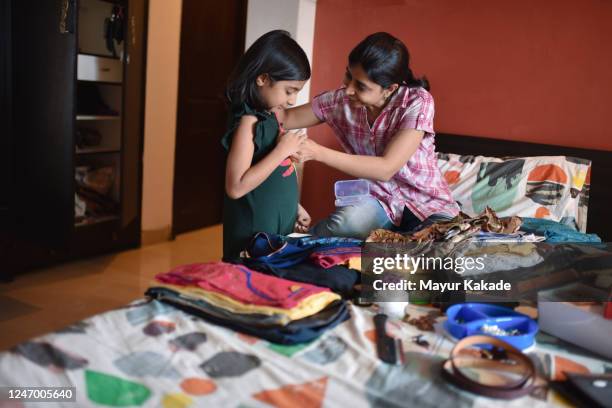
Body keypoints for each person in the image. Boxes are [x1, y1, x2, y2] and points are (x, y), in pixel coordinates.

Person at [278, 32, 460, 239]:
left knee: (439, 244)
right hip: (378, 198)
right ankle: (293, 243)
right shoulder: (340, 101)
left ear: (390, 88)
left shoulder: (417, 102)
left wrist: (317, 152)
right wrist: (252, 100)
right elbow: (283, 117)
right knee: (339, 226)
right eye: (349, 76)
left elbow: (386, 168)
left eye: (361, 86)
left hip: (428, 202)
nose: (348, 90)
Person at [222, 30, 312, 260]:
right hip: (252, 235)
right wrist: (283, 150)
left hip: (274, 228)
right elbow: (236, 186)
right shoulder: (248, 123)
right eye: (289, 91)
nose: (292, 100)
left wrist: (296, 206)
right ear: (262, 79)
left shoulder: (270, 117)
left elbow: (272, 174)